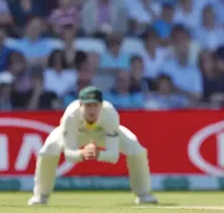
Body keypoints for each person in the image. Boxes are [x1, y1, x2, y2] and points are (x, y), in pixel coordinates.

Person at [27, 86, 158, 205]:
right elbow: (69, 155)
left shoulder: (110, 114)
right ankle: (41, 195)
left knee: (135, 147)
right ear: (80, 105)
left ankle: (144, 194)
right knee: (48, 150)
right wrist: (82, 154)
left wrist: (98, 154)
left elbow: (113, 156)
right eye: (88, 105)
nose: (92, 110)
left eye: (95, 105)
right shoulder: (71, 116)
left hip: (102, 134)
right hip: (78, 134)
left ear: (102, 105)